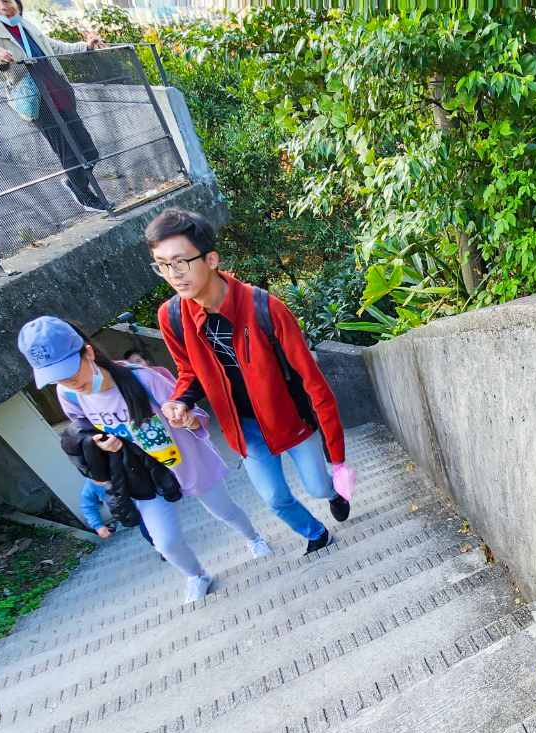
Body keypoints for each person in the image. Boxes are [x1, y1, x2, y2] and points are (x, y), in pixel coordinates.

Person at [145, 208, 354, 555]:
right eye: (162, 265)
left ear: (211, 259)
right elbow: (189, 371)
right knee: (274, 498)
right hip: (244, 429)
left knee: (318, 487)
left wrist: (338, 458)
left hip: (291, 420)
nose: (172, 275)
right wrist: (180, 401)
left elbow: (314, 383)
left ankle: (333, 493)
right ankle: (315, 533)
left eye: (181, 262)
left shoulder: (265, 308)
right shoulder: (171, 317)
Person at [19, 315, 272, 602]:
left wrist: (187, 419)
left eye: (70, 371)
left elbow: (193, 413)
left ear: (88, 353)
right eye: (56, 377)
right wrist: (100, 444)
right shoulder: (69, 395)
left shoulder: (143, 378)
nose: (68, 382)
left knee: (223, 510)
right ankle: (197, 574)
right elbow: (83, 431)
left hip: (185, 463)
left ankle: (254, 538)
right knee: (166, 543)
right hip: (142, 475)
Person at [0, 0, 111, 212]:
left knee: (88, 148)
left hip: (56, 87)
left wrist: (86, 46)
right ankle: (86, 196)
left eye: (6, 1)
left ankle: (73, 182)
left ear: (17, 3)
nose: (2, 6)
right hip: (34, 94)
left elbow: (55, 46)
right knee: (66, 149)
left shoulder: (25, 25)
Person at [78, 476, 157, 552]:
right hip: (132, 511)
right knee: (148, 533)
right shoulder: (91, 483)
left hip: (148, 500)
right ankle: (162, 549)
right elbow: (88, 507)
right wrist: (98, 526)